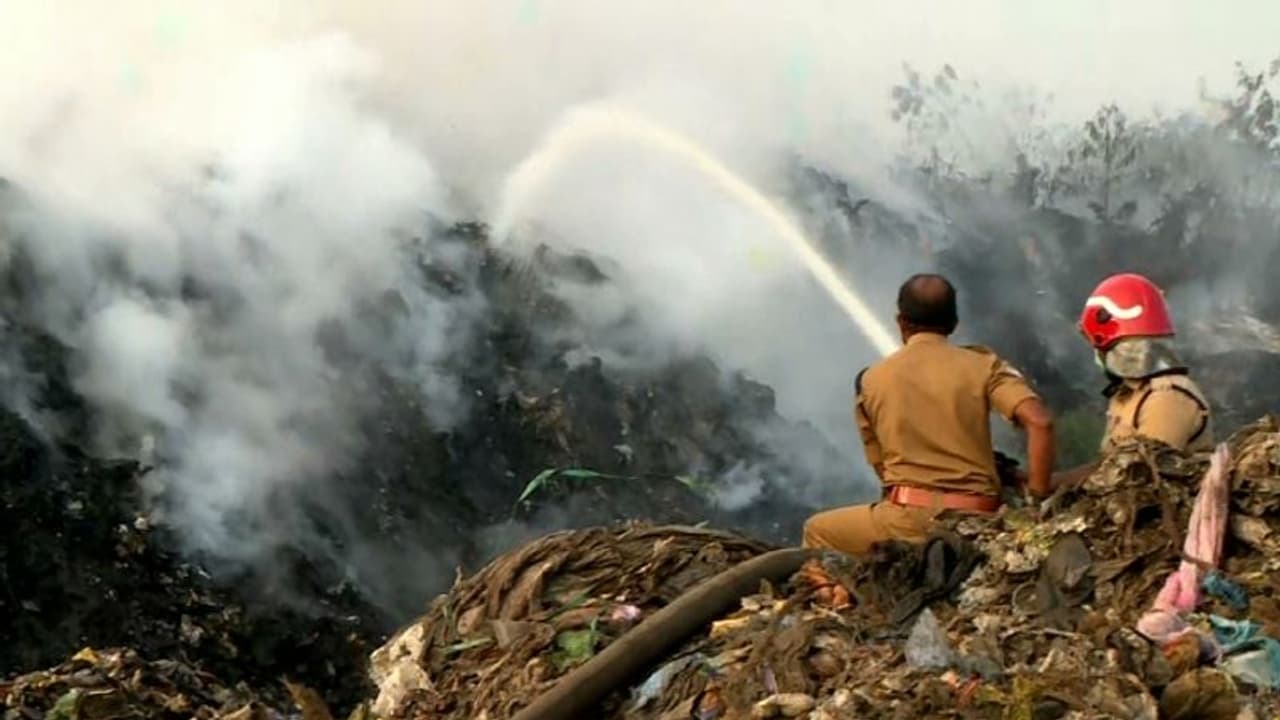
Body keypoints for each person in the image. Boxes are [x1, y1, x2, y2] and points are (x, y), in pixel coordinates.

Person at [802, 273, 1056, 557]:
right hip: (980, 515)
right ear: (953, 323)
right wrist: (1036, 501)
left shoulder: (871, 380)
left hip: (907, 520)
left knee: (817, 529)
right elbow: (1040, 422)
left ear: (901, 322)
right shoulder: (984, 366)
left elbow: (882, 468)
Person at [1052, 272, 1214, 488]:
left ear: (1111, 345)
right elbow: (1106, 467)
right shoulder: (1129, 393)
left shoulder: (1166, 398)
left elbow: (1139, 479)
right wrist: (1050, 483)